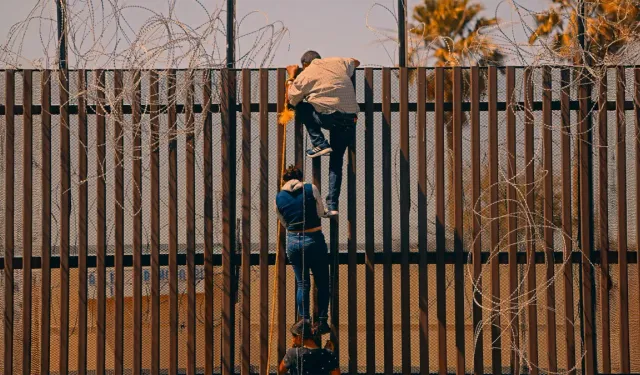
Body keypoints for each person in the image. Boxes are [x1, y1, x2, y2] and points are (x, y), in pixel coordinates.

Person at [285, 50, 360, 217]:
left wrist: (292, 75)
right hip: (349, 119)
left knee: (302, 107)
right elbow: (356, 61)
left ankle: (319, 143)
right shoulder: (338, 61)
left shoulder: (306, 74)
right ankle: (332, 205)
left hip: (329, 117)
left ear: (305, 65)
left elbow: (291, 99)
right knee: (336, 162)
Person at [275, 165, 331, 335]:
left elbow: (283, 222)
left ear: (284, 180)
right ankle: (321, 321)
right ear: (300, 178)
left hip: (293, 242)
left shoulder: (279, 197)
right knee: (322, 282)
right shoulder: (310, 188)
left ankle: (305, 320)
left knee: (302, 283)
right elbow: (321, 212)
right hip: (313, 239)